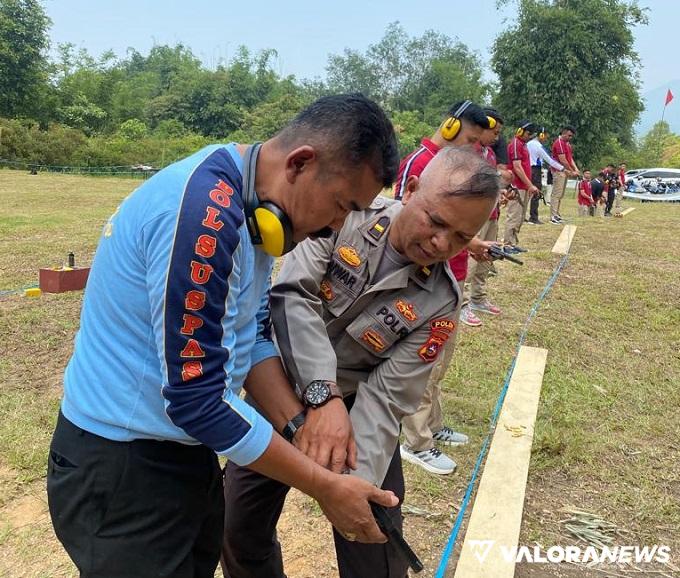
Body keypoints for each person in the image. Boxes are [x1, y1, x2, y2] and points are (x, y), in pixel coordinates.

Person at [46, 94, 401, 578]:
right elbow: (198, 401)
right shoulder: (204, 218)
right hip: (122, 468)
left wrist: (300, 429)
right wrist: (321, 484)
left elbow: (250, 338)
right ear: (300, 163)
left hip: (183, 454)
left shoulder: (256, 209)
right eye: (341, 206)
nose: (336, 228)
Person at [222, 147, 500, 578]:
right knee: (238, 528)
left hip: (358, 414)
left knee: (373, 533)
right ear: (410, 190)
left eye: (462, 237)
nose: (441, 243)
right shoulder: (344, 217)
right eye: (437, 221)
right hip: (279, 387)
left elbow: (388, 397)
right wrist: (320, 397)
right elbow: (293, 295)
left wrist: (350, 486)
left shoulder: (441, 301)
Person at [394, 100, 492, 473]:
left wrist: (474, 244)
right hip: (425, 280)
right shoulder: (420, 163)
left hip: (451, 276)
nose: (475, 151)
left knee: (441, 358)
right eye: (470, 140)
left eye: (480, 145)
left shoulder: (458, 168)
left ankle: (433, 425)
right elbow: (399, 220)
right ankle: (416, 441)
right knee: (422, 361)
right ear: (450, 128)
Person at [462, 107, 505, 319]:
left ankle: (479, 298)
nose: (497, 137)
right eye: (494, 132)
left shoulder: (490, 153)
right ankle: (462, 303)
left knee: (486, 259)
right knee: (470, 259)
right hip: (475, 216)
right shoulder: (469, 150)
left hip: (493, 213)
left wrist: (500, 194)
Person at [504, 120, 539, 249]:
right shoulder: (515, 144)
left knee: (520, 216)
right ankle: (508, 244)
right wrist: (530, 185)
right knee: (514, 215)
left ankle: (513, 242)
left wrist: (528, 185)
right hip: (517, 186)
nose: (529, 137)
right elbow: (517, 167)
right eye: (528, 134)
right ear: (522, 131)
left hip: (523, 186)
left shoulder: (523, 145)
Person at [526, 127, 567, 225]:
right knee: (536, 192)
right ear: (541, 135)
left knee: (526, 193)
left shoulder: (528, 144)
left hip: (526, 168)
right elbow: (550, 160)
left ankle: (522, 215)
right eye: (545, 137)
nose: (545, 139)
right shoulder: (538, 146)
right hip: (535, 169)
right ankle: (533, 217)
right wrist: (562, 168)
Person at [550, 125, 581, 224]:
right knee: (556, 194)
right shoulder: (559, 143)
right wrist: (572, 171)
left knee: (561, 194)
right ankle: (553, 216)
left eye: (571, 136)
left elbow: (570, 158)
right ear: (563, 133)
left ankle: (557, 214)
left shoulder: (567, 144)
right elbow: (563, 160)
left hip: (565, 171)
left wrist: (576, 169)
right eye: (569, 135)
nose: (570, 138)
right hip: (558, 170)